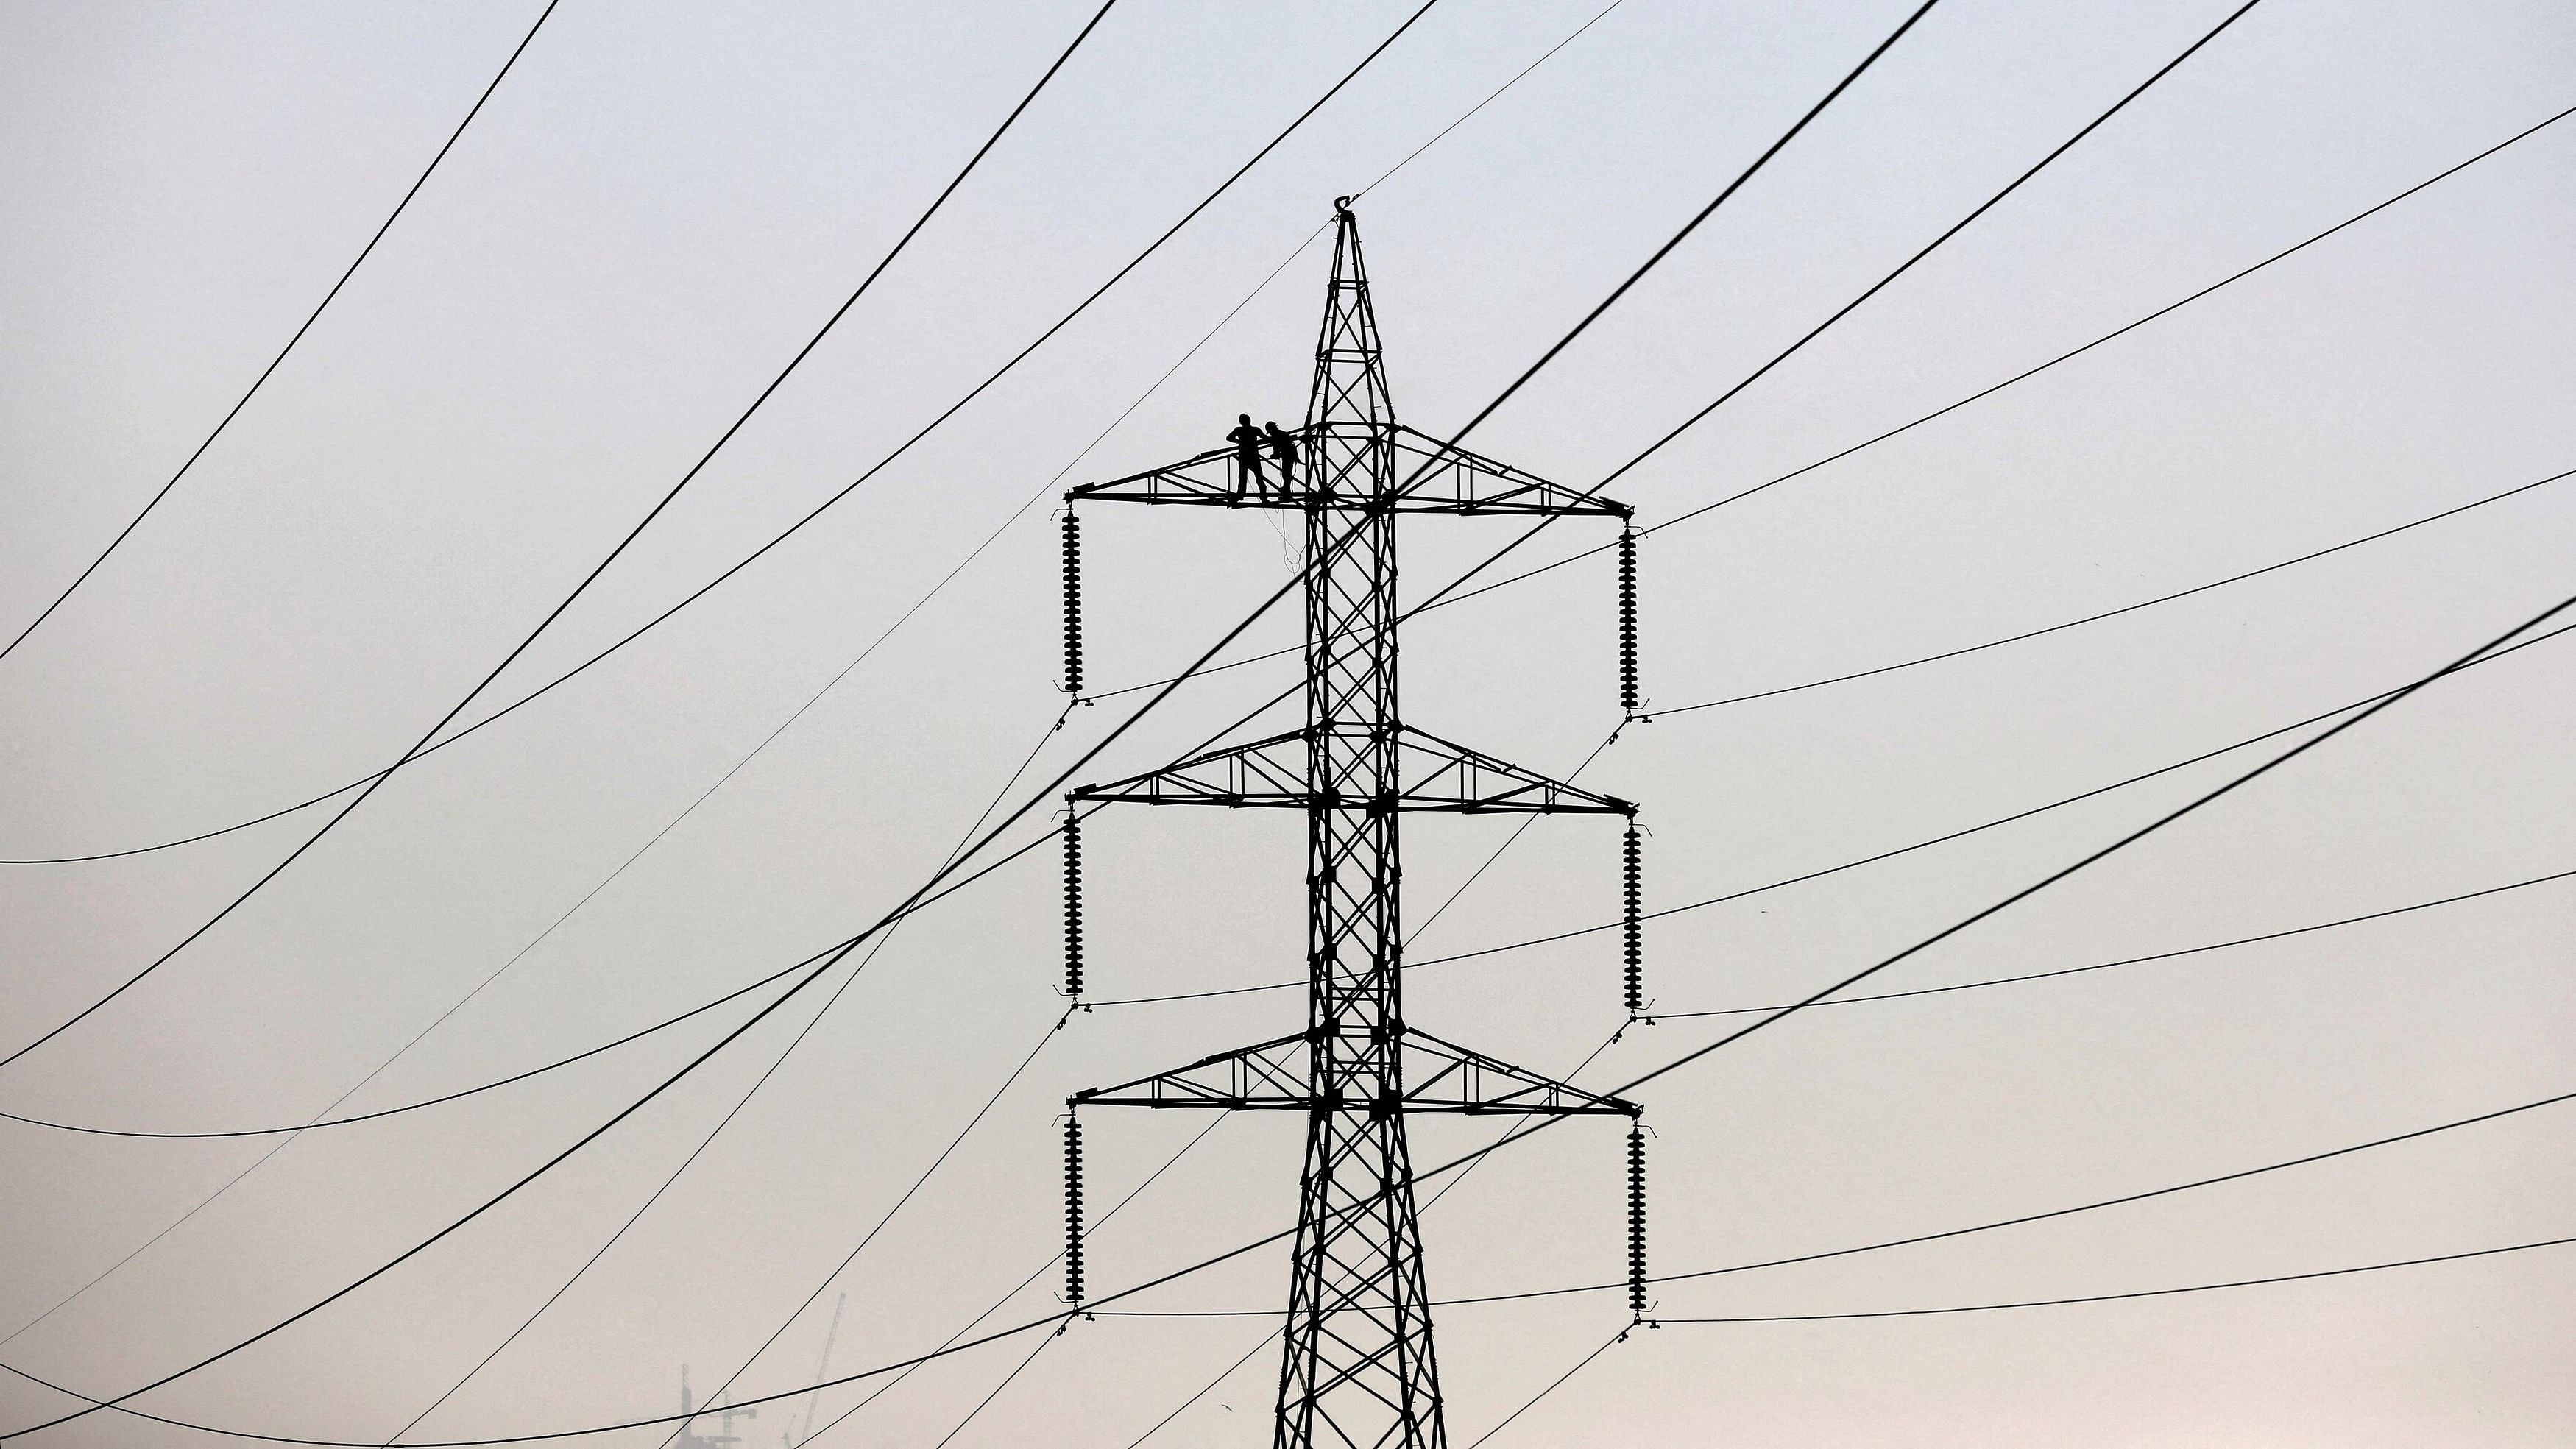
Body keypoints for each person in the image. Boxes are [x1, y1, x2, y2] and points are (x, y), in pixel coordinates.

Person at [1226, 413, 1265, 493]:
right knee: (1259, 477)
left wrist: (1240, 442)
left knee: (1243, 477)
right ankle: (1263, 496)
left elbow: (1229, 438)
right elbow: (1265, 438)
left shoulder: (1239, 430)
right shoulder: (1255, 430)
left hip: (1244, 456)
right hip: (1253, 456)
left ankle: (1241, 494)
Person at [1263, 420, 1298, 496]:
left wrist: (1275, 455)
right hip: (1290, 455)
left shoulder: (1277, 436)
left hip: (1288, 456)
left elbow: (1277, 448)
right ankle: (1286, 489)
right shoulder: (1282, 434)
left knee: (1286, 474)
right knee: (1286, 474)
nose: (1271, 434)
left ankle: (1287, 491)